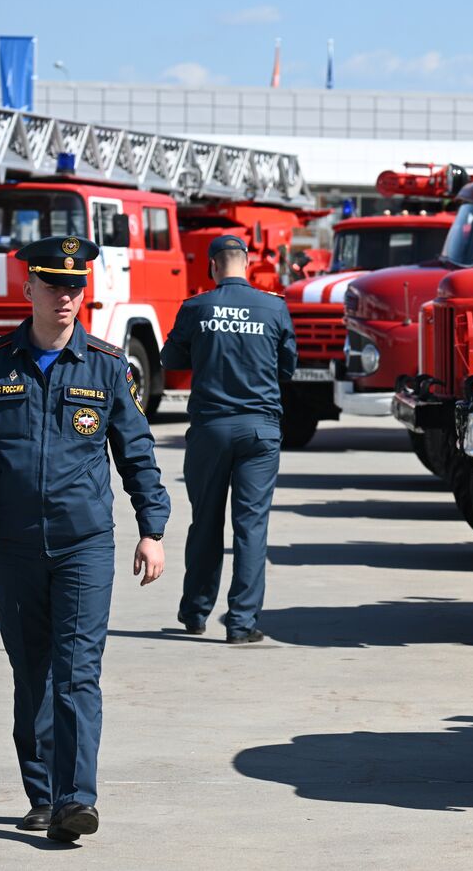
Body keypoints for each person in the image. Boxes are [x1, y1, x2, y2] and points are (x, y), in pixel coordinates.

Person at [0, 235, 171, 842]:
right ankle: (42, 794)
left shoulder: (106, 365)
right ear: (29, 290)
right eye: (53, 284)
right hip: (12, 546)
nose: (65, 295)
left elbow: (137, 453)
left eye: (74, 286)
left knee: (76, 672)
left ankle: (76, 798)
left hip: (84, 544)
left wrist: (152, 528)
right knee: (32, 672)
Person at [162, 234, 296, 644]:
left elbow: (170, 360)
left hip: (211, 429)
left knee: (205, 521)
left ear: (213, 267)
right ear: (247, 263)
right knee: (251, 527)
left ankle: (195, 611)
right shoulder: (274, 307)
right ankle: (240, 623)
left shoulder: (196, 307)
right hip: (260, 429)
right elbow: (287, 366)